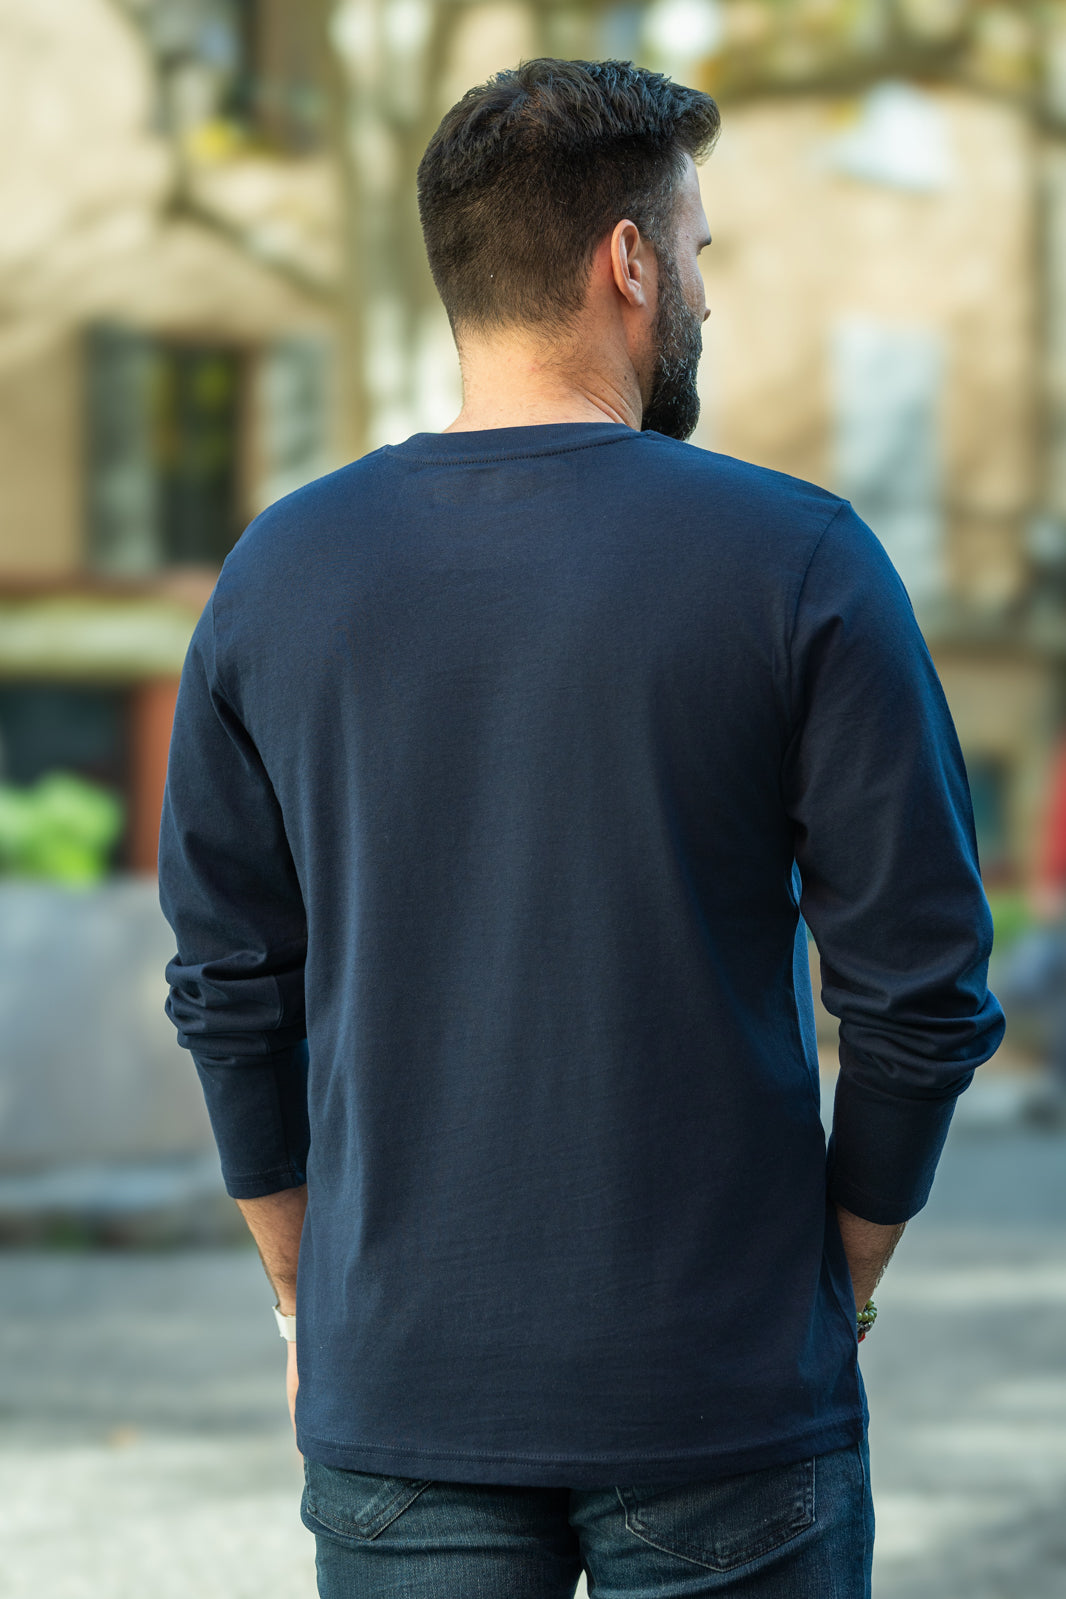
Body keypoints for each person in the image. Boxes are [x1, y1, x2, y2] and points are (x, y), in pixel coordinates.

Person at [158, 57, 1005, 1599]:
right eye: (696, 249)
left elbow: (229, 989)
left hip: (401, 1392)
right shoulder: (800, 560)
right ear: (628, 261)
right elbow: (920, 989)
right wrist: (834, 1291)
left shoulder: (274, 573)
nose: (705, 291)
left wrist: (304, 1303)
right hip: (722, 1393)